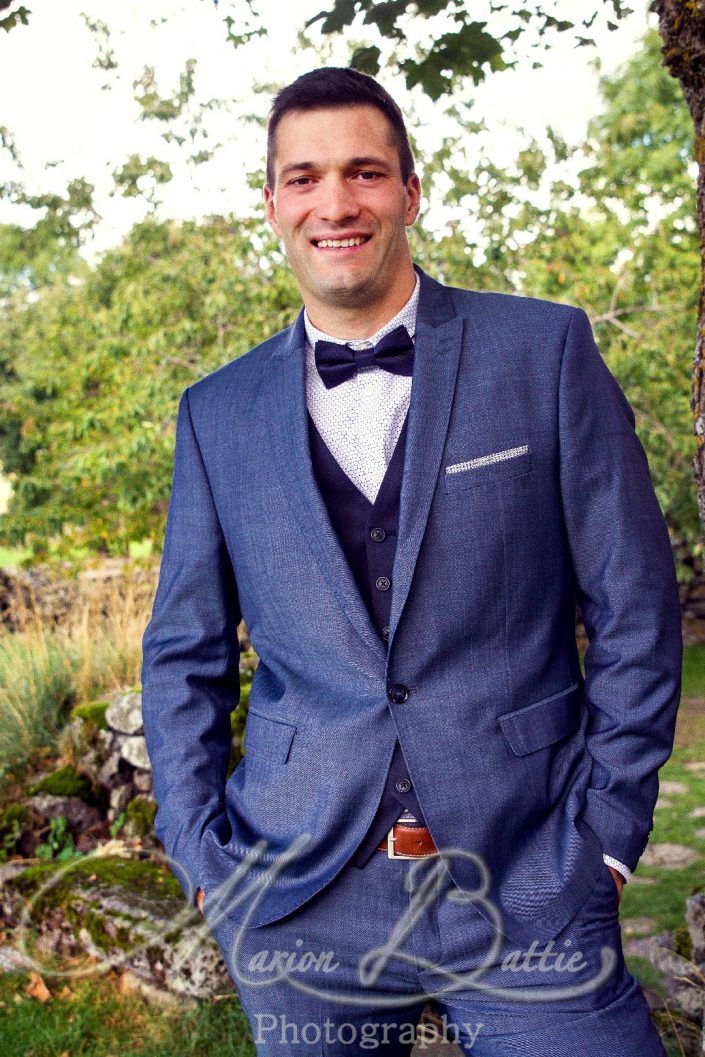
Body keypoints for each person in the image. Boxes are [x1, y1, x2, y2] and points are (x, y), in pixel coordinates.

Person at [141, 67, 683, 1055]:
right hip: (300, 894)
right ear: (271, 205)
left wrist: (603, 838)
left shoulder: (544, 350)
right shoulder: (214, 414)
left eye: (364, 172)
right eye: (303, 178)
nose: (335, 203)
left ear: (410, 191)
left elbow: (637, 607)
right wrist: (207, 863)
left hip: (530, 870)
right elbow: (184, 656)